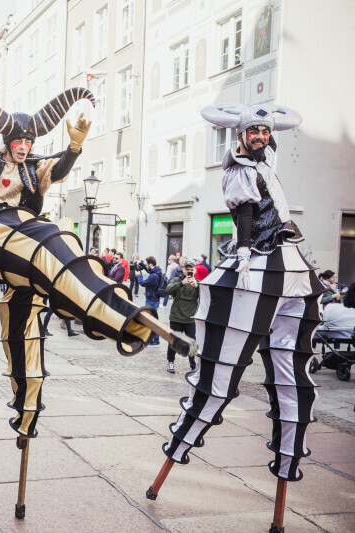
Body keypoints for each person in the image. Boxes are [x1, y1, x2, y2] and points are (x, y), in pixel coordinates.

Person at [0, 88, 193, 517]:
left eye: (30, 141)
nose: (25, 146)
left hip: (26, 247)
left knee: (28, 334)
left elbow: (64, 167)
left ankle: (28, 410)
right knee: (49, 248)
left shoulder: (37, 170)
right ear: (8, 138)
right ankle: (120, 315)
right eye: (19, 140)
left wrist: (75, 144)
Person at [150, 103, 324, 523]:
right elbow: (243, 214)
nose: (261, 137)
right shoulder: (239, 170)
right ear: (242, 136)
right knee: (219, 373)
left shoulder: (267, 162)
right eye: (254, 131)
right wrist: (244, 250)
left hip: (291, 267)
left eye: (265, 131)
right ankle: (178, 450)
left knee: (292, 376)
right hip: (256, 263)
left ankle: (286, 467)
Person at [164, 260, 199, 374]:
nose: (189, 271)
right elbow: (167, 290)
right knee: (174, 341)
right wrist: (181, 284)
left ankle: (193, 365)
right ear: (183, 269)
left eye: (191, 270)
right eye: (187, 269)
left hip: (190, 318)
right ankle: (170, 362)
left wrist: (197, 287)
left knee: (192, 342)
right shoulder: (177, 280)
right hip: (176, 317)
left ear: (195, 270)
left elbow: (207, 298)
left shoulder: (198, 283)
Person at [137, 257, 163, 345]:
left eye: (147, 264)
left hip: (152, 300)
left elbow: (143, 283)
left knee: (152, 321)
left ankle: (156, 340)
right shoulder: (156, 271)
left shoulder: (154, 276)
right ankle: (152, 339)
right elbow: (149, 270)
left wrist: (138, 276)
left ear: (151, 265)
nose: (146, 266)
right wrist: (142, 265)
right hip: (153, 298)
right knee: (151, 319)